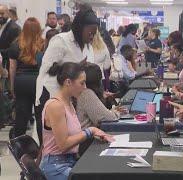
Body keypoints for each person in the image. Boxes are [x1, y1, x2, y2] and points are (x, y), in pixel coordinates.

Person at [40, 62, 114, 180]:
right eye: (82, 83)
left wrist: (94, 134)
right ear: (68, 82)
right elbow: (63, 145)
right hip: (56, 166)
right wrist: (90, 131)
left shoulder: (69, 103)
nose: (85, 87)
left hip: (70, 160)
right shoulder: (55, 106)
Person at [36, 7, 99, 142]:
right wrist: (75, 67)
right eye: (90, 33)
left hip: (71, 96)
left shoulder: (88, 47)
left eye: (94, 33)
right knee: (52, 142)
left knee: (69, 137)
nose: (92, 36)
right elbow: (47, 70)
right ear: (80, 27)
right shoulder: (60, 41)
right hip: (51, 94)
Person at [8, 17, 45, 141]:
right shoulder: (44, 44)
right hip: (38, 82)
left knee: (21, 117)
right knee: (41, 117)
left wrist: (12, 87)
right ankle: (43, 148)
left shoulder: (15, 45)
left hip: (21, 82)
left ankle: (19, 148)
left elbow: (12, 69)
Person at [0, 4, 21, 69]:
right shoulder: (2, 25)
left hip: (8, 65)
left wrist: (1, 52)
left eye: (2, 13)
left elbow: (15, 49)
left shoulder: (14, 28)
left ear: (8, 13)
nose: (0, 16)